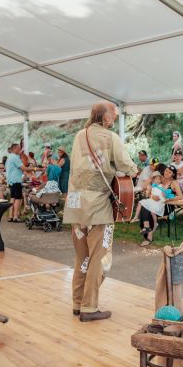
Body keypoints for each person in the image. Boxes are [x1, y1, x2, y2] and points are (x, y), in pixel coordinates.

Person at [64, 101, 138, 322]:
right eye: (113, 115)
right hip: (97, 207)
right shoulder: (110, 138)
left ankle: (78, 303)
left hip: (76, 205)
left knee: (82, 257)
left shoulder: (79, 136)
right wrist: (132, 171)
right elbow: (126, 165)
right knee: (100, 257)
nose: (114, 119)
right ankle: (89, 307)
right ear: (105, 118)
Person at [134, 172, 167, 246]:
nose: (157, 180)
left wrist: (160, 197)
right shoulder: (153, 186)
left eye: (159, 179)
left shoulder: (163, 186)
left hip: (160, 204)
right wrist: (149, 181)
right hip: (152, 202)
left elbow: (163, 196)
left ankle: (148, 231)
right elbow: (145, 190)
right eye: (156, 179)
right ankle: (147, 228)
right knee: (144, 206)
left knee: (146, 208)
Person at [6, 143, 36, 222]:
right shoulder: (15, 157)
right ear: (15, 149)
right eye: (19, 148)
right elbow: (23, 168)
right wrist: (35, 169)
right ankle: (16, 216)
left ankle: (10, 216)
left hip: (11, 180)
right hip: (16, 180)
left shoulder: (9, 157)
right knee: (18, 199)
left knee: (13, 198)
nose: (20, 150)